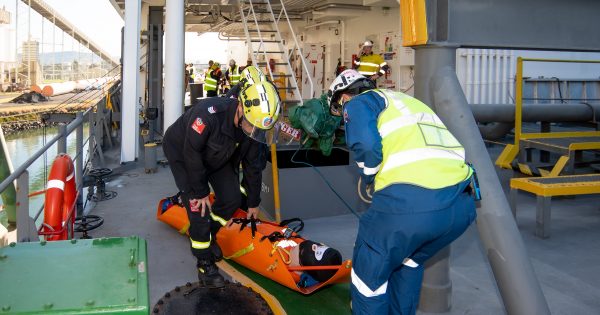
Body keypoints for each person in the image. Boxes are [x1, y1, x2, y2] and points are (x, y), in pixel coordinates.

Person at [327, 69, 477, 314]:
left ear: (344, 96)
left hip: (411, 205)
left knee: (369, 276)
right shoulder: (407, 101)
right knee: (408, 261)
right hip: (462, 205)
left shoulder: (359, 103)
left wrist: (369, 174)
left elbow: (365, 143)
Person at [163, 81, 281, 288]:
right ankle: (204, 262)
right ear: (241, 108)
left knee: (232, 198)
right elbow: (192, 154)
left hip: (217, 154)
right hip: (184, 154)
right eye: (252, 125)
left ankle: (211, 232)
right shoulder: (207, 115)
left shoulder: (254, 127)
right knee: (199, 210)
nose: (255, 131)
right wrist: (200, 193)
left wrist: (253, 202)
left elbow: (253, 166)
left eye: (260, 128)